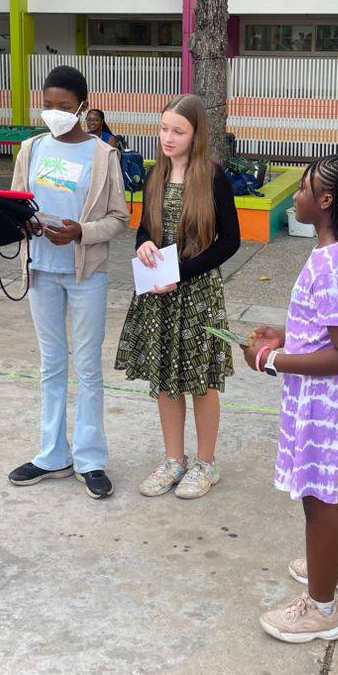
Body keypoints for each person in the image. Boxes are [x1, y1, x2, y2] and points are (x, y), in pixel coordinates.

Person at [244, 154, 338, 644]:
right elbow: (328, 327)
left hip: (323, 403)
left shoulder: (330, 266)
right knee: (332, 487)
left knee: (319, 500)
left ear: (325, 201)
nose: (295, 196)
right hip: (332, 401)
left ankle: (321, 610)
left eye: (303, 189)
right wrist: (286, 335)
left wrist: (272, 360)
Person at [8, 65, 129, 500]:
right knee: (52, 364)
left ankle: (90, 458)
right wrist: (22, 224)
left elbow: (118, 217)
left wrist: (82, 232)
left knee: (88, 366)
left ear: (83, 106)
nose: (54, 112)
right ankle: (52, 455)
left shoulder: (102, 154)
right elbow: (14, 205)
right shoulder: (31, 149)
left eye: (63, 105)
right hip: (40, 269)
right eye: (47, 104)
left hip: (85, 275)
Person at [116, 94, 240, 500]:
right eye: (164, 128)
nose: (168, 138)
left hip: (197, 293)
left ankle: (206, 464)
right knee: (165, 377)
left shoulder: (213, 177)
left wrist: (181, 274)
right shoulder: (156, 173)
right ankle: (174, 460)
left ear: (196, 134)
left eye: (178, 131)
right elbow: (144, 227)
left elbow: (230, 242)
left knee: (201, 381)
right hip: (159, 293)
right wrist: (143, 244)